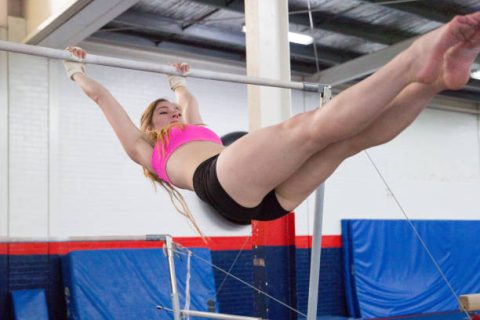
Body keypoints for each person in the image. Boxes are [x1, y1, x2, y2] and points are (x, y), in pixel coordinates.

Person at [63, 12, 480, 230]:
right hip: (218, 181)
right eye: (163, 112)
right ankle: (410, 63)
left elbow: (185, 96)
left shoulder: (196, 124)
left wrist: (176, 81)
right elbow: (102, 98)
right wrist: (76, 71)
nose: (172, 111)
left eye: (171, 108)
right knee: (306, 128)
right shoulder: (146, 150)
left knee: (349, 142)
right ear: (151, 126)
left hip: (264, 200)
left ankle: (434, 83)